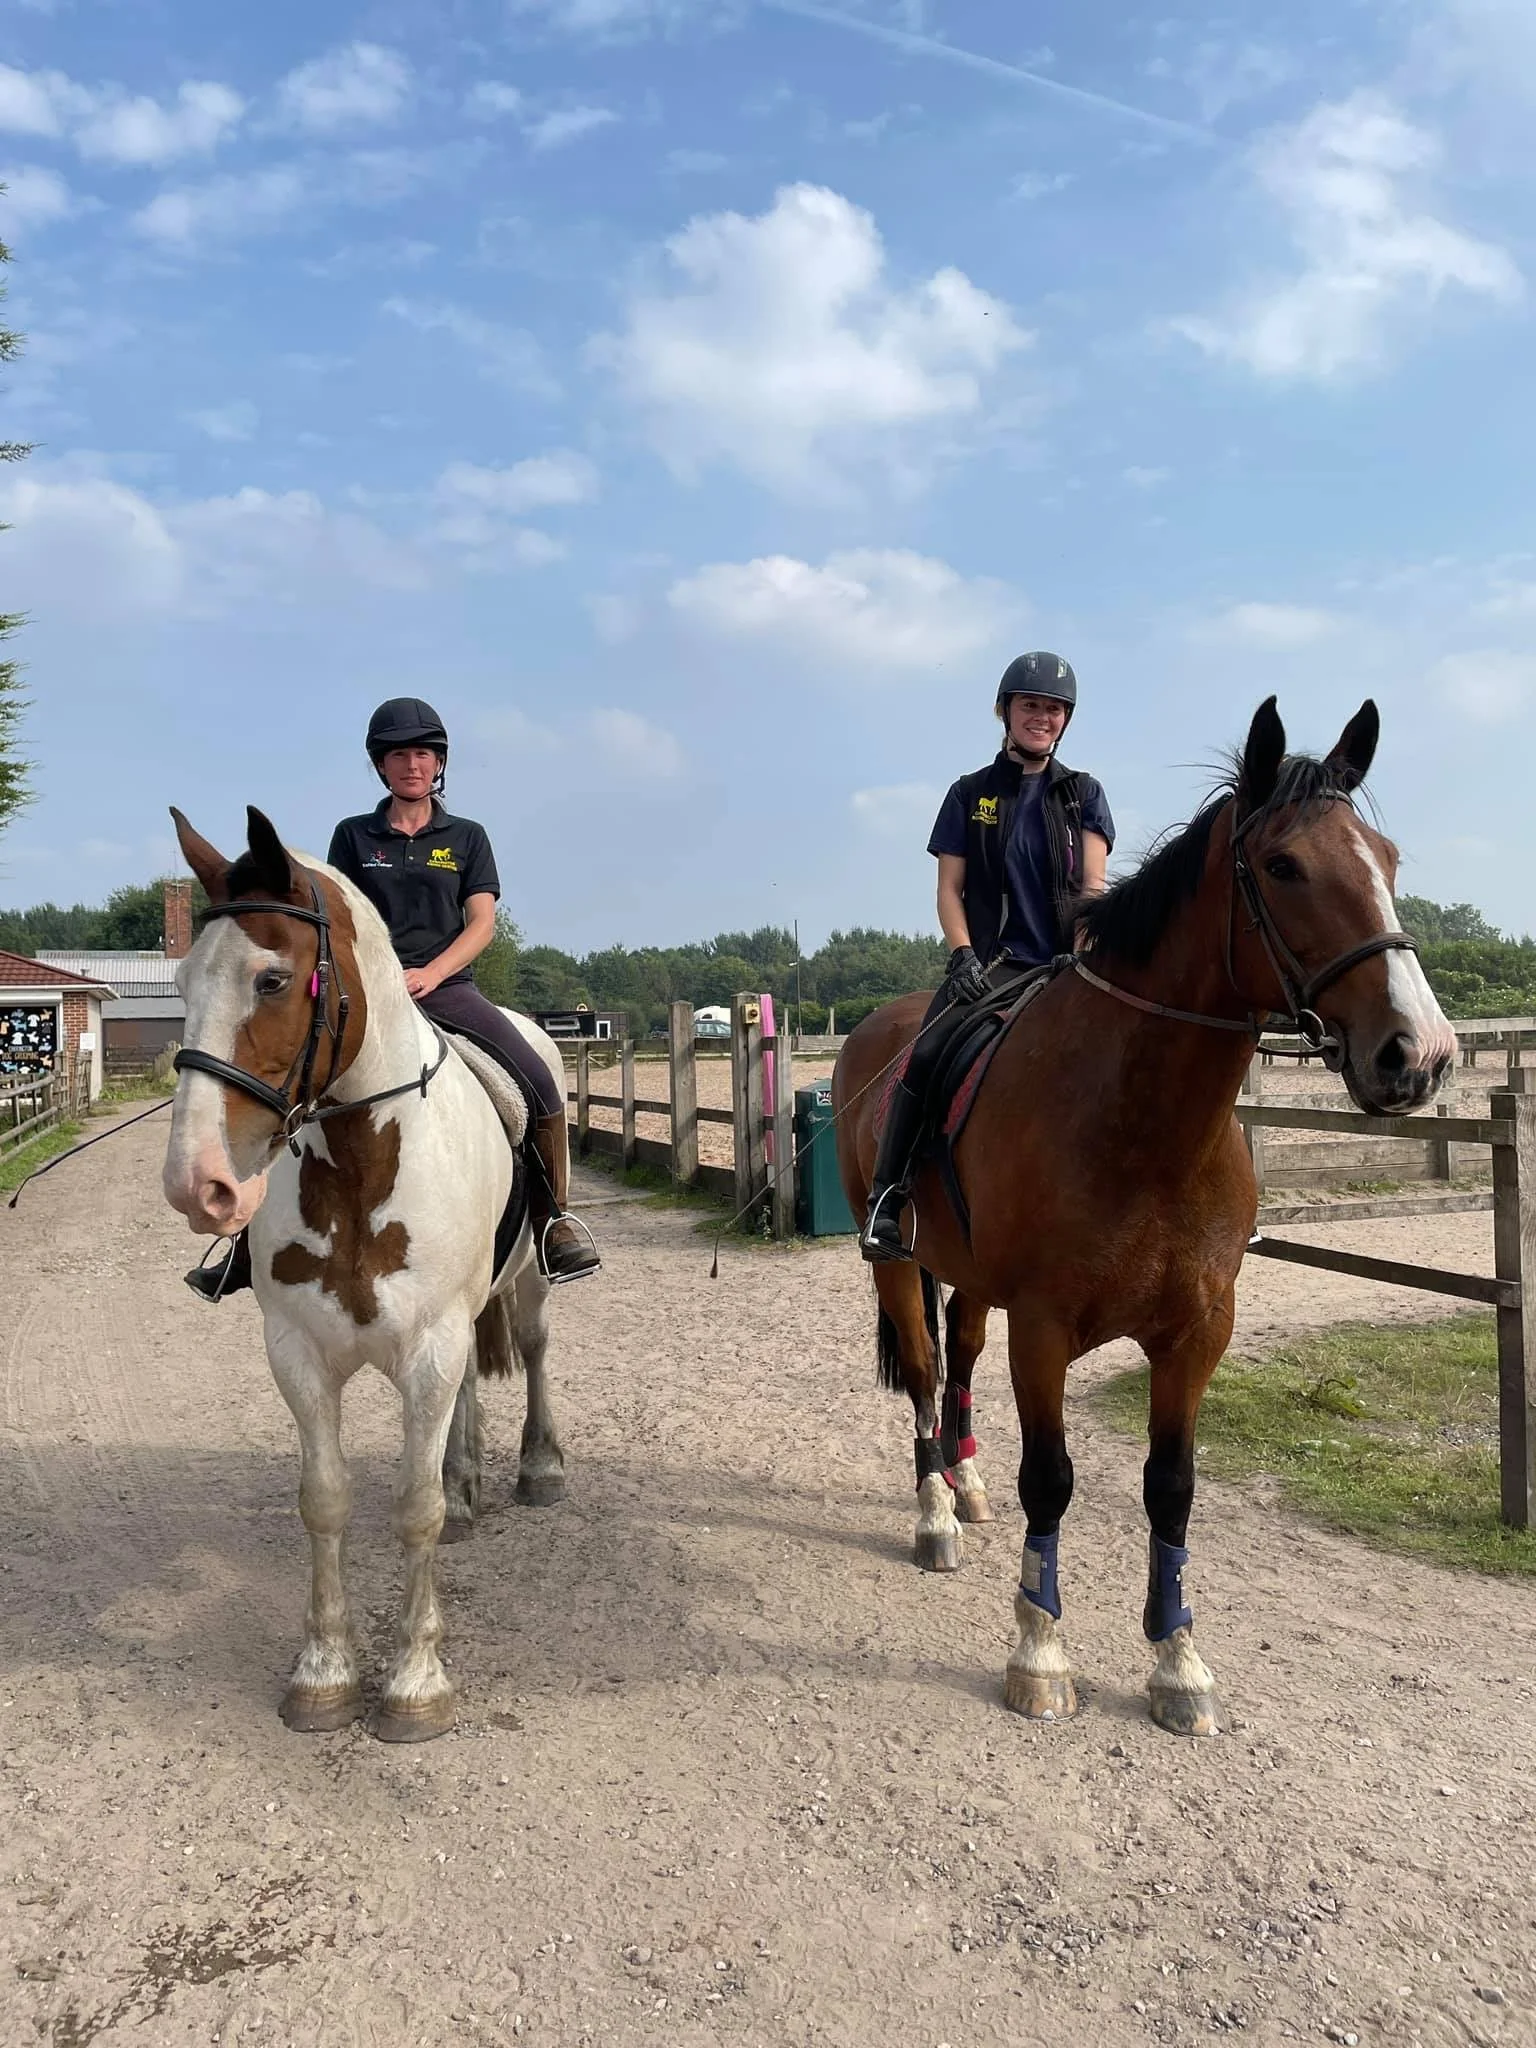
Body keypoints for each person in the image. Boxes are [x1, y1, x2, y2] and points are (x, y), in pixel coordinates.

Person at [186, 697, 598, 1300]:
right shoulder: (354, 836)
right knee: (291, 1087)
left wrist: (433, 972)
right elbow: (337, 919)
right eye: (400, 754)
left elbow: (480, 922)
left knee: (536, 1078)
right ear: (381, 766)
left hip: (447, 988)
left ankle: (552, 1220)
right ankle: (248, 1244)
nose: (413, 764)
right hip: (370, 999)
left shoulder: (467, 837)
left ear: (439, 764)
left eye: (424, 754)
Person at [859, 652, 1115, 1263]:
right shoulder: (970, 795)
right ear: (1005, 711)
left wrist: (1080, 955)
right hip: (992, 967)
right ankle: (886, 1200)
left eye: (1053, 709)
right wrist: (963, 954)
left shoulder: (1085, 795)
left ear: (1066, 721)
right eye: (1031, 705)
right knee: (924, 1055)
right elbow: (950, 889)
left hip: (1064, 965)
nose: (1042, 717)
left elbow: (1094, 890)